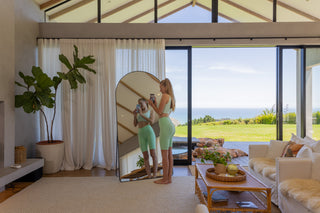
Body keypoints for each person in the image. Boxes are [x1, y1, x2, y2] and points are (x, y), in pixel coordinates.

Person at [149, 78, 175, 184]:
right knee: (169, 154)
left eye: (161, 87)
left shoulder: (165, 96)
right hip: (169, 125)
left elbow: (159, 112)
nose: (160, 90)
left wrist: (151, 104)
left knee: (164, 154)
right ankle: (169, 178)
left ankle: (165, 179)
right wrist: (155, 103)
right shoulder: (171, 97)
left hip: (165, 125)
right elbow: (163, 110)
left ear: (165, 87)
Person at [133, 98, 158, 178]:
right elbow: (135, 124)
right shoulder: (138, 113)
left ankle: (154, 174)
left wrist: (141, 114)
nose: (140, 105)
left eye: (141, 103)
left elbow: (151, 121)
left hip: (149, 132)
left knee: (153, 154)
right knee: (145, 156)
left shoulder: (151, 111)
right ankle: (149, 175)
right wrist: (134, 115)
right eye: (138, 104)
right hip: (141, 133)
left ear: (145, 103)